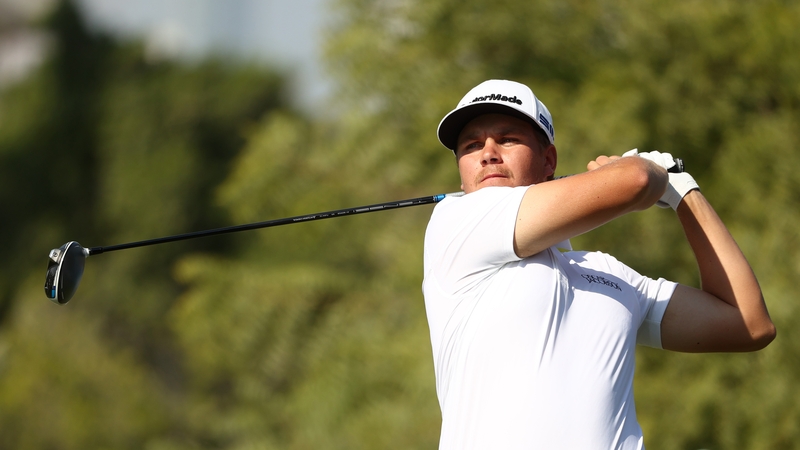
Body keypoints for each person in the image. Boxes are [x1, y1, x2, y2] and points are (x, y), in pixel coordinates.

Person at [422, 79, 776, 449]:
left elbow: (748, 323)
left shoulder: (608, 273)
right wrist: (645, 169)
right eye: (472, 145)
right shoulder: (454, 223)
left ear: (549, 161)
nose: (488, 153)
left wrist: (682, 191)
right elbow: (635, 179)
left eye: (508, 139)